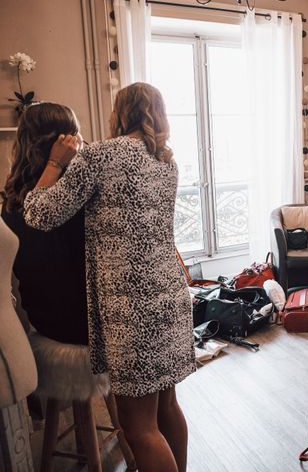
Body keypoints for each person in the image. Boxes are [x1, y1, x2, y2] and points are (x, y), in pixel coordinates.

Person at [23, 83, 195, 472]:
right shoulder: (166, 161)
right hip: (170, 293)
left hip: (132, 309)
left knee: (139, 428)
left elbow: (38, 213)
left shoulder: (100, 155)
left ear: (119, 114)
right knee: (167, 406)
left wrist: (54, 163)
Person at [1, 102, 88, 345]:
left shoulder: (13, 197)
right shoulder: (72, 195)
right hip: (82, 323)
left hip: (43, 319)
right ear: (68, 142)